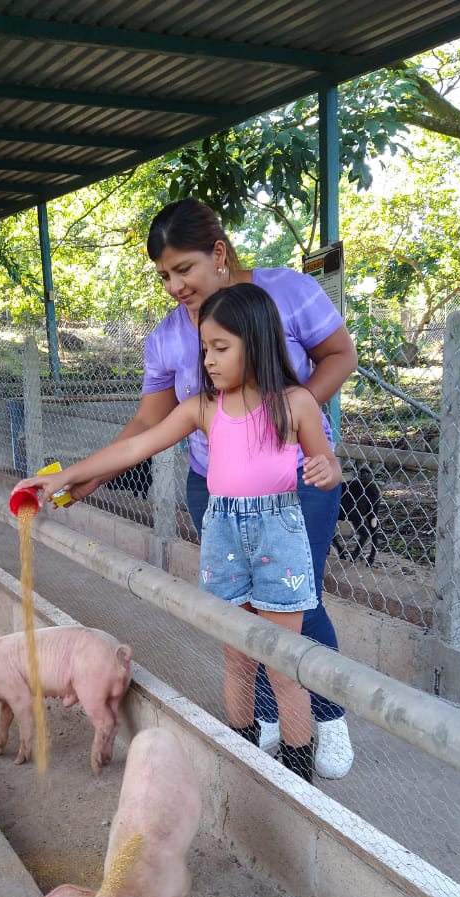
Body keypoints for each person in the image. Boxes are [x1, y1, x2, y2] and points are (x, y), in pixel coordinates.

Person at [69, 199, 357, 778]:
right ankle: (268, 720)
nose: (175, 285)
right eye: (164, 276)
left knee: (298, 603)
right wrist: (80, 476)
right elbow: (145, 430)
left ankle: (326, 718)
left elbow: (339, 355)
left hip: (293, 477)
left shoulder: (288, 294)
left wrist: (281, 417)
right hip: (217, 490)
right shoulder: (171, 341)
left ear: (218, 253)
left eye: (184, 269)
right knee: (242, 609)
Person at [12, 283, 341, 783]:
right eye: (205, 348)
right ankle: (246, 760)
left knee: (283, 664)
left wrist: (324, 471)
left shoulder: (295, 404)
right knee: (237, 659)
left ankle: (298, 777)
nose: (207, 360)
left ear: (257, 342)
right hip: (224, 535)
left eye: (220, 348)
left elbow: (327, 462)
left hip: (279, 534)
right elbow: (135, 448)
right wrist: (67, 476)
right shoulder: (202, 409)